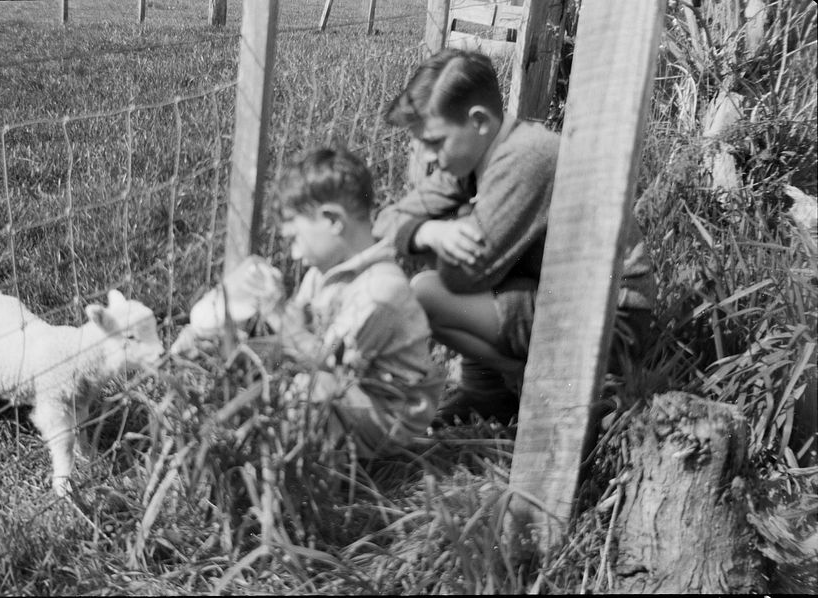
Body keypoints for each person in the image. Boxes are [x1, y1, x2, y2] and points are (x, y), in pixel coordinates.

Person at [372, 48, 656, 427]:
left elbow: (462, 277)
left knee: (426, 292)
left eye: (435, 142)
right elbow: (386, 222)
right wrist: (430, 230)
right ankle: (491, 392)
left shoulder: (526, 158)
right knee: (448, 275)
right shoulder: (470, 159)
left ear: (479, 122)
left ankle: (551, 387)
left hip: (611, 319)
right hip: (564, 298)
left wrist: (433, 237)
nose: (426, 157)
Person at [263, 146, 445, 458]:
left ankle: (322, 478)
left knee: (309, 393)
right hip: (352, 385)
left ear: (333, 220)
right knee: (276, 373)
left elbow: (327, 361)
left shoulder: (379, 292)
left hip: (391, 415)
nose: (293, 254)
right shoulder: (322, 272)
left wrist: (280, 321)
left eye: (295, 238)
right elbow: (299, 323)